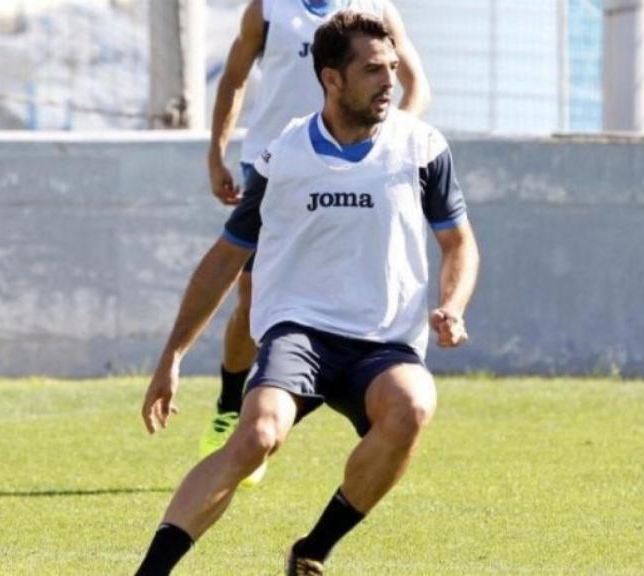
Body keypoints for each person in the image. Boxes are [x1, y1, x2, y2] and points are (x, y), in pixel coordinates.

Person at [135, 12, 477, 575]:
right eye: (372, 70)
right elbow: (226, 256)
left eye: (392, 67)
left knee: (413, 407)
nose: (389, 81)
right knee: (257, 435)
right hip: (302, 333)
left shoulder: (422, 148)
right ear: (332, 79)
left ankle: (313, 550)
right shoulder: (284, 156)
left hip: (385, 340)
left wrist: (453, 306)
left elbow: (459, 244)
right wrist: (172, 355)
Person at [202, 0, 431, 483]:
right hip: (277, 164)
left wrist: (389, 145)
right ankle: (232, 405)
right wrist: (217, 152)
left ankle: (345, 382)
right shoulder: (267, 9)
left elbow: (417, 86)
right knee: (253, 294)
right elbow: (235, 78)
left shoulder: (375, 11)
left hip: (355, 167)